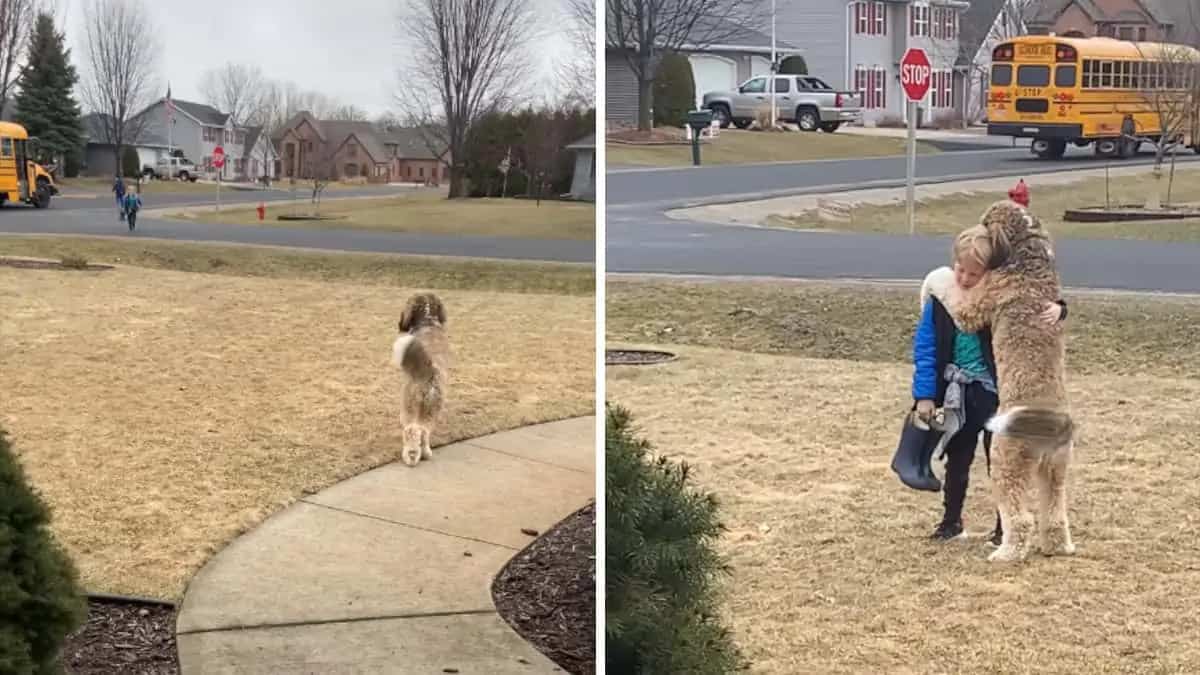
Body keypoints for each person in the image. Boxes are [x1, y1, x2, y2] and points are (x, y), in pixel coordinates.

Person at [890, 224, 1068, 544]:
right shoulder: (940, 298)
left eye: (974, 274)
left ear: (989, 273)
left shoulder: (999, 299)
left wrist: (1060, 308)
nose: (965, 279)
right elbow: (927, 349)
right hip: (957, 392)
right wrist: (925, 396)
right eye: (961, 270)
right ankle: (951, 521)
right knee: (957, 459)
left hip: (994, 393)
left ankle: (1005, 527)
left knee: (1000, 463)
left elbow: (1035, 308)